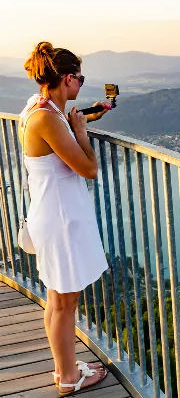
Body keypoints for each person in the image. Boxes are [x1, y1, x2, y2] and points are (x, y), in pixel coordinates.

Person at [20, 41, 111, 395]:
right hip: (61, 220)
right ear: (67, 79)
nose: (81, 84)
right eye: (80, 78)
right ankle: (70, 379)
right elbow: (88, 169)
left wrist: (85, 116)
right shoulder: (46, 117)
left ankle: (65, 369)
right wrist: (83, 134)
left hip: (51, 214)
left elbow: (58, 127)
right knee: (64, 303)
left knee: (57, 300)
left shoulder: (37, 107)